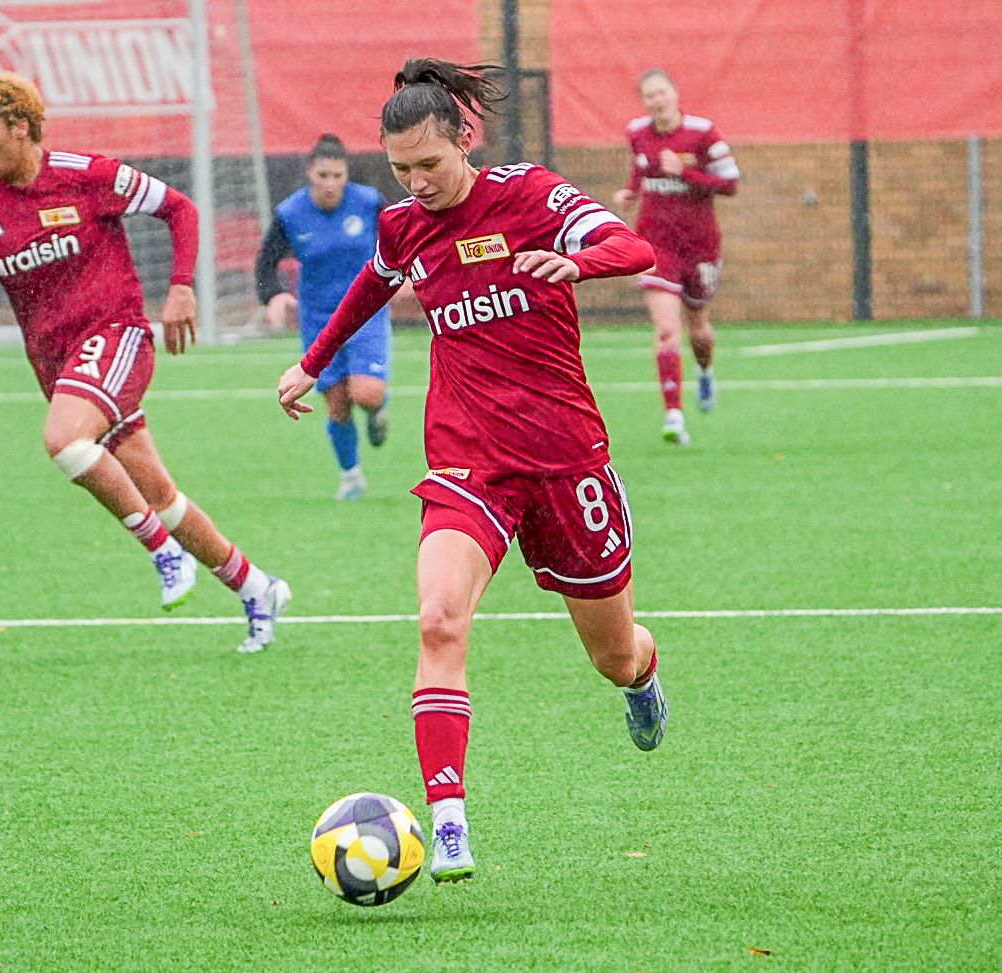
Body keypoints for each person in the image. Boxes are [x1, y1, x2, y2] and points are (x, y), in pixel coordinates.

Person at [277, 58, 668, 884]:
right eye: (399, 169)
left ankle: (642, 675)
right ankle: (448, 822)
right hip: (467, 460)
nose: (415, 183)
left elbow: (632, 247)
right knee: (438, 620)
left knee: (612, 654)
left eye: (428, 163)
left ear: (465, 139)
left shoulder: (528, 194)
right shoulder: (402, 227)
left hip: (566, 460)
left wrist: (579, 263)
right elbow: (366, 293)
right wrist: (312, 365)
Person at [0, 72, 290, 653]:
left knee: (65, 441)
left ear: (20, 127)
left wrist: (180, 288)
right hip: (57, 364)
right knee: (162, 495)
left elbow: (181, 208)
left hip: (115, 337)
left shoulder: (86, 174)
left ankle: (161, 552)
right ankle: (257, 587)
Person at [255, 134, 394, 501]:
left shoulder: (369, 203)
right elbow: (266, 263)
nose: (330, 183)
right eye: (323, 176)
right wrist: (274, 295)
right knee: (336, 401)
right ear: (309, 174)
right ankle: (351, 478)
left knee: (365, 393)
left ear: (347, 174)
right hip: (319, 318)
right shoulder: (290, 214)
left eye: (337, 175)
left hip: (367, 313)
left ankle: (378, 410)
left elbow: (401, 241)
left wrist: (409, 274)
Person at [612, 68, 739, 446]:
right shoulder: (637, 133)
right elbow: (640, 171)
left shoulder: (702, 133)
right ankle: (674, 415)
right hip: (655, 245)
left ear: (675, 93)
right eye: (649, 95)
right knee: (667, 330)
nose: (657, 100)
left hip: (699, 246)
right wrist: (630, 192)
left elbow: (730, 183)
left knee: (698, 329)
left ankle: (705, 372)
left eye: (662, 92)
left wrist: (685, 172)